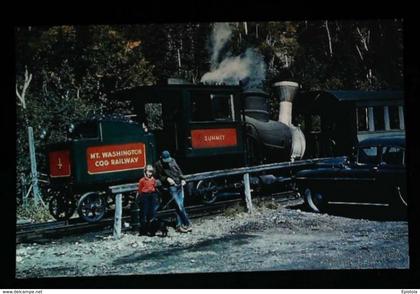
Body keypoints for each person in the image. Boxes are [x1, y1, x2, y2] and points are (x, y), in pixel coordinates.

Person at [154, 150, 192, 233]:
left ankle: (181, 225)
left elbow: (179, 171)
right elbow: (158, 176)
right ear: (161, 158)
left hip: (179, 184)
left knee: (180, 206)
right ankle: (186, 224)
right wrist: (167, 179)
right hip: (171, 186)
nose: (168, 161)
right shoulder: (158, 164)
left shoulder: (173, 160)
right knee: (178, 206)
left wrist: (183, 179)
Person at [137, 164, 159, 236]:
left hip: (152, 195)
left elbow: (155, 187)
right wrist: (140, 197)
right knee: (144, 212)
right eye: (148, 172)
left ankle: (152, 230)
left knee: (152, 212)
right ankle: (143, 230)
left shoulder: (153, 180)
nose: (150, 173)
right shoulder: (142, 180)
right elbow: (140, 189)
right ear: (145, 172)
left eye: (151, 172)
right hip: (145, 196)